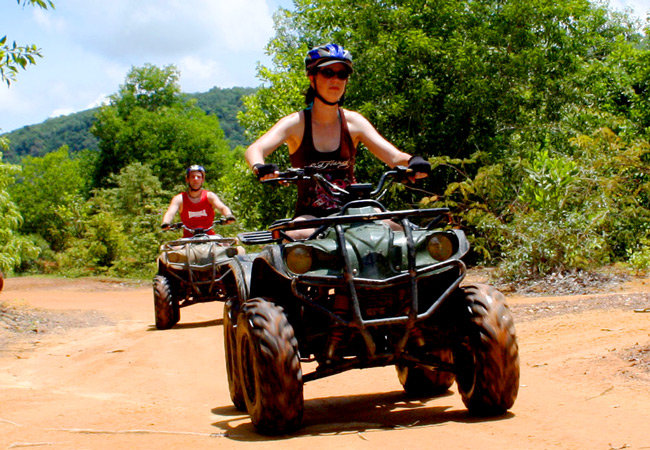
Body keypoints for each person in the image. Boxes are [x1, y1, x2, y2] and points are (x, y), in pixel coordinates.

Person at [244, 43, 431, 239]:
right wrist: (260, 167)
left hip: (356, 210)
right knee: (293, 236)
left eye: (342, 74)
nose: (336, 79)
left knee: (405, 234)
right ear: (312, 77)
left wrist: (413, 161)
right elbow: (255, 149)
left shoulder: (354, 122)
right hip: (311, 217)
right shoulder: (296, 123)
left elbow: (393, 156)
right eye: (328, 72)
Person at [161, 165, 235, 238]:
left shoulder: (209, 196)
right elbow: (170, 212)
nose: (195, 179)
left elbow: (222, 207)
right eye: (192, 177)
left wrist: (228, 216)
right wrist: (166, 223)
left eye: (198, 177)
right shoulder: (180, 198)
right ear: (187, 179)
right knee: (168, 249)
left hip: (209, 237)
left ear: (202, 180)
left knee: (234, 248)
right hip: (188, 239)